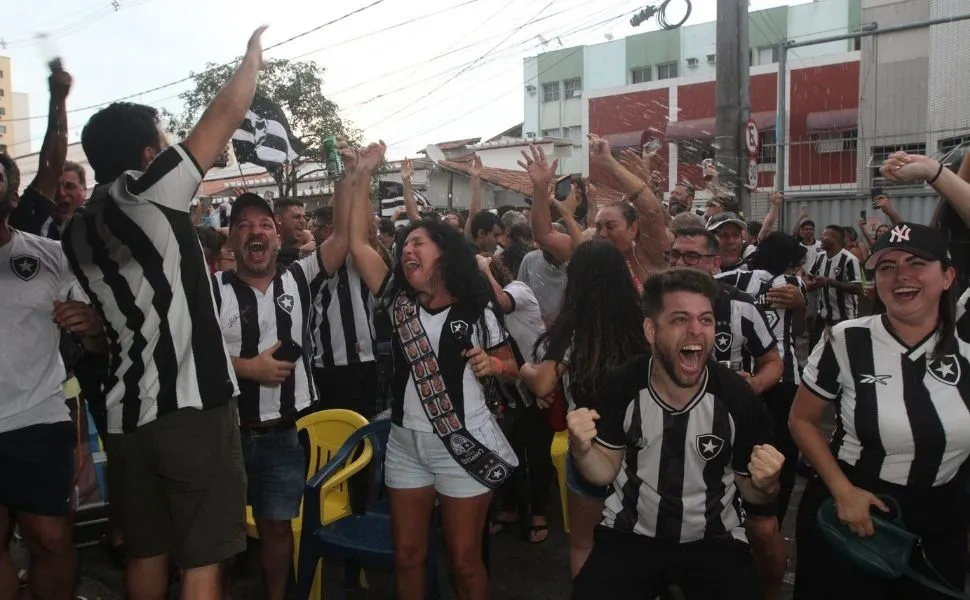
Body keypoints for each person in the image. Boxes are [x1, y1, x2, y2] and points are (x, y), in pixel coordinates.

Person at [59, 27, 268, 600]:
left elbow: (104, 329)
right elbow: (224, 113)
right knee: (204, 558)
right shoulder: (147, 191)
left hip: (126, 416)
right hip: (190, 409)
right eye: (164, 138)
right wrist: (251, 58)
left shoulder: (78, 229)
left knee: (147, 551)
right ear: (149, 155)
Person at [349, 141, 518, 600]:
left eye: (417, 244)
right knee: (407, 556)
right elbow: (357, 243)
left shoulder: (476, 309)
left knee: (464, 561)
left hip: (463, 442)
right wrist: (362, 174)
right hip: (405, 446)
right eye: (404, 246)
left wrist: (494, 363)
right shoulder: (397, 300)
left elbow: (514, 367)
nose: (406, 251)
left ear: (443, 252)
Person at [567, 268, 782, 599]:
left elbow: (751, 493)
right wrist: (582, 450)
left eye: (706, 320)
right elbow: (604, 470)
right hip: (631, 535)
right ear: (651, 330)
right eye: (681, 319)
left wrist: (766, 484)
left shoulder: (736, 397)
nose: (696, 331)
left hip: (712, 539)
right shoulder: (622, 383)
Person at [790, 223, 970, 599]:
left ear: (949, 275)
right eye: (886, 267)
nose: (901, 275)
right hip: (854, 508)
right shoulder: (846, 339)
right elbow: (802, 420)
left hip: (942, 518)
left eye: (916, 263)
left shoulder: (967, 353)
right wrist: (843, 491)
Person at [211, 179, 349, 599]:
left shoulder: (299, 277)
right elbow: (189, 357)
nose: (256, 231)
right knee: (218, 538)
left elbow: (343, 238)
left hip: (283, 435)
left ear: (277, 235)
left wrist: (351, 176)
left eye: (265, 224)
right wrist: (247, 369)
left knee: (275, 528)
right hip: (225, 435)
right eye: (244, 225)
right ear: (231, 238)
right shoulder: (211, 291)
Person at [0, 147, 106, 600]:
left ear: (12, 191)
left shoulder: (48, 255)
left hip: (37, 419)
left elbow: (98, 337)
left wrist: (92, 325)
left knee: (52, 539)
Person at [519, 240, 647, 576]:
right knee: (641, 544)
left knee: (584, 543)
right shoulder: (645, 324)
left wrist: (522, 369)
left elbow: (544, 383)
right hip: (643, 449)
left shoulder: (574, 330)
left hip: (590, 447)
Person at [805, 224, 862, 349]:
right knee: (815, 350)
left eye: (825, 236)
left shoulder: (849, 259)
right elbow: (808, 276)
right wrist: (809, 284)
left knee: (844, 352)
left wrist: (830, 282)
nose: (821, 237)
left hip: (844, 316)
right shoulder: (820, 257)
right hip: (823, 315)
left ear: (835, 240)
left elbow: (858, 289)